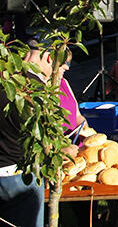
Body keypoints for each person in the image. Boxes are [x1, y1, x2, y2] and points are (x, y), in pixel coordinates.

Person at [1, 41, 78, 227]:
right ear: (50, 58)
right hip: (18, 174)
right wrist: (64, 150)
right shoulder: (35, 90)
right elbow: (44, 143)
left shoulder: (6, 78)